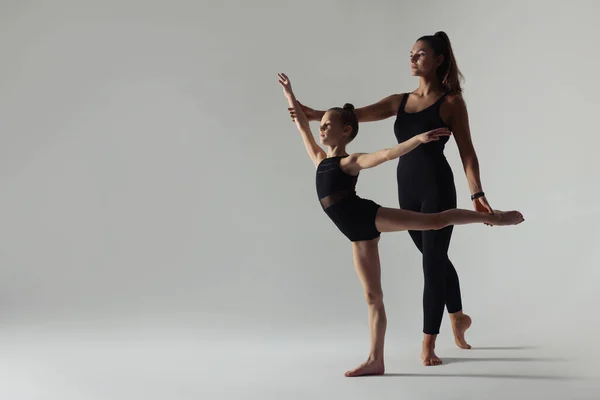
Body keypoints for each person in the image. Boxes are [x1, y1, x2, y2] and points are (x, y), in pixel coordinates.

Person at [277, 72, 524, 377]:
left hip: (368, 217)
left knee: (435, 222)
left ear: (346, 131)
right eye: (322, 124)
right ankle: (376, 360)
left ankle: (493, 218)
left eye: (328, 124)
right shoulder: (319, 158)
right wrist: (290, 95)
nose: (322, 127)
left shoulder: (349, 161)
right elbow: (302, 126)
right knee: (373, 297)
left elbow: (385, 154)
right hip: (357, 237)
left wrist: (417, 140)